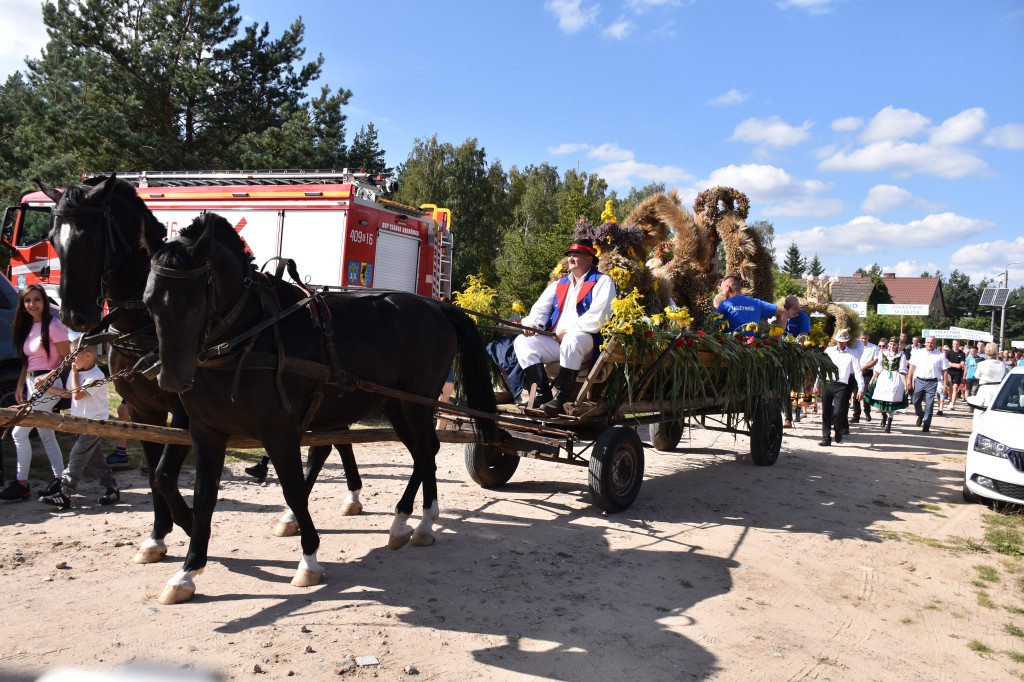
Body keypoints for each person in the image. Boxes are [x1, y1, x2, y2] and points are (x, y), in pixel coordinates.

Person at [514, 238, 615, 415]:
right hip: (559, 342)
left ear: (590, 259)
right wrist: (532, 324)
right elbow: (539, 310)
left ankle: (562, 396)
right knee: (522, 342)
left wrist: (569, 330)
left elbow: (600, 316)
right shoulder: (559, 284)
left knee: (572, 339)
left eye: (577, 255)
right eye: (570, 255)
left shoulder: (602, 281)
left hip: (587, 342)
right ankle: (542, 393)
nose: (571, 259)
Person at [0, 285, 70, 502]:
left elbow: (67, 359)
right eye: (28, 300)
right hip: (32, 383)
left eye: (37, 299)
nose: (32, 304)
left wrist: (47, 378)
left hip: (48, 384)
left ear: (44, 301)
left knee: (19, 433)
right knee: (46, 433)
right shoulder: (28, 326)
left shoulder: (54, 326)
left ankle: (22, 483)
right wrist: (21, 385)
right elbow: (26, 362)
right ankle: (60, 481)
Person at [39, 341, 120, 508]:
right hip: (80, 424)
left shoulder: (96, 376)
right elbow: (68, 394)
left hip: (94, 424)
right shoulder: (77, 371)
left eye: (73, 355)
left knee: (77, 456)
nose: (70, 360)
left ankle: (65, 493)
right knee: (95, 460)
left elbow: (77, 395)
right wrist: (45, 387)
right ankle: (112, 488)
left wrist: (74, 374)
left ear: (88, 355)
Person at [814, 329, 864, 447]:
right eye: (838, 341)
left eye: (842, 341)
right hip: (828, 383)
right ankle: (826, 437)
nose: (840, 343)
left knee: (839, 411)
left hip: (842, 385)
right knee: (826, 411)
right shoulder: (829, 351)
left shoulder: (852, 354)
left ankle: (838, 428)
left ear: (847, 341)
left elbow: (858, 372)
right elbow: (821, 367)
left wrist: (861, 388)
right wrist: (817, 384)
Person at [713, 275, 792, 335]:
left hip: (730, 350)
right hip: (751, 349)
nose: (723, 293)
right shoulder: (757, 303)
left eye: (722, 289)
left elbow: (714, 327)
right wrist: (775, 339)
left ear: (727, 288)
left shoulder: (725, 304)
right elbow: (783, 312)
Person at [865, 339, 909, 433]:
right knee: (882, 402)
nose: (892, 346)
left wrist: (905, 384)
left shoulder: (901, 355)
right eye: (890, 344)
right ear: (888, 344)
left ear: (897, 345)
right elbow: (878, 367)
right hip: (884, 378)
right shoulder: (883, 353)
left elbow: (902, 370)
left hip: (895, 378)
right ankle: (884, 415)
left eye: (894, 344)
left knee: (891, 400)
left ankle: (889, 423)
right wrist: (872, 380)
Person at [907, 336, 949, 433]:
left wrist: (945, 385)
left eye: (932, 343)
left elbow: (945, 371)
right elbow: (912, 367)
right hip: (919, 380)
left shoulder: (940, 355)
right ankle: (921, 415)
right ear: (925, 343)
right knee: (915, 401)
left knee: (929, 404)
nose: (930, 344)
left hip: (932, 382)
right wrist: (909, 380)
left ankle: (926, 425)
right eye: (928, 342)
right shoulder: (919, 353)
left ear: (935, 344)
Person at [852, 330, 879, 423]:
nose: (863, 340)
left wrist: (865, 367)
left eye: (865, 338)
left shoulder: (873, 347)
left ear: (868, 338)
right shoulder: (855, 346)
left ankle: (867, 412)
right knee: (856, 394)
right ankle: (856, 415)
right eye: (862, 338)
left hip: (867, 371)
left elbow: (875, 360)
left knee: (866, 393)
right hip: (856, 371)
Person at [946, 340, 966, 410]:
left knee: (955, 387)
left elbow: (962, 364)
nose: (955, 345)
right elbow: (947, 362)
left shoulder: (962, 354)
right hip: (950, 372)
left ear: (959, 345)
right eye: (954, 344)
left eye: (957, 344)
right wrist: (955, 365)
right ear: (952, 345)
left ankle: (953, 403)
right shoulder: (949, 353)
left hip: (958, 373)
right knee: (949, 388)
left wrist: (955, 365)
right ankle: (951, 400)